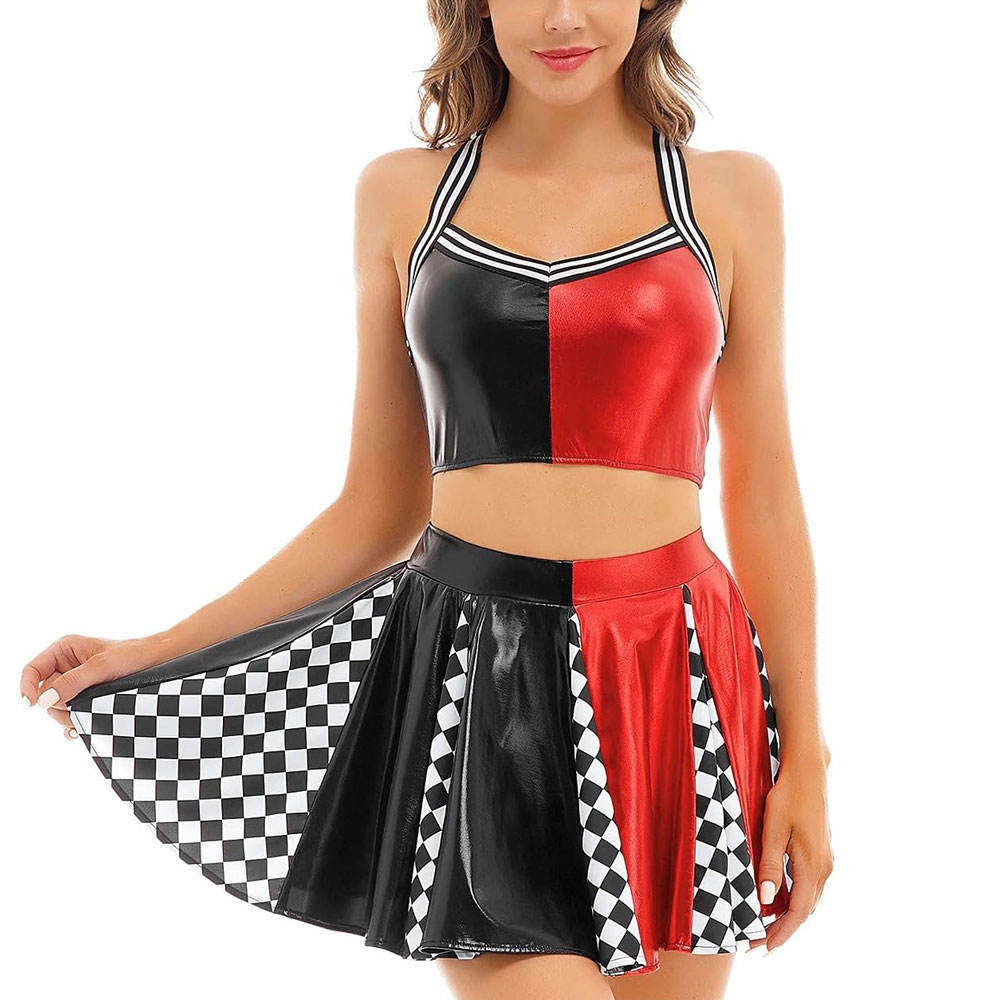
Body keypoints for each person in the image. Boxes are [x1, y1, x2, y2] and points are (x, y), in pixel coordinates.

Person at [20, 2, 832, 998]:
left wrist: (806, 759)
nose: (562, 17)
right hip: (478, 680)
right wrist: (153, 650)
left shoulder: (732, 195)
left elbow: (765, 493)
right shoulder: (404, 196)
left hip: (676, 675)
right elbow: (377, 506)